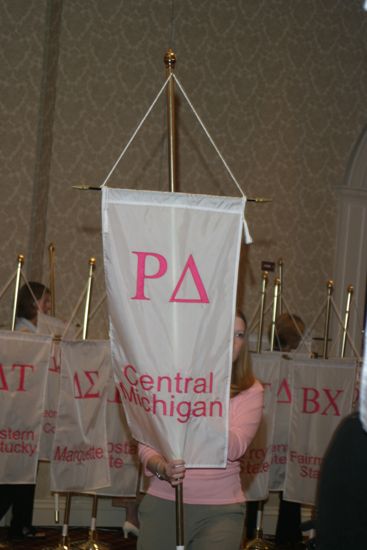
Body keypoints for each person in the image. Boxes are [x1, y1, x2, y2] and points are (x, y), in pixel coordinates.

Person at [137, 310, 264, 550]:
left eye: (239, 335)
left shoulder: (250, 390)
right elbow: (146, 443)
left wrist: (203, 402)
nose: (233, 342)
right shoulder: (171, 381)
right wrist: (161, 467)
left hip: (221, 509)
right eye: (226, 333)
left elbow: (235, 447)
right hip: (165, 501)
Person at [245, 313, 306, 550]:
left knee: (253, 480)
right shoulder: (299, 365)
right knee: (289, 489)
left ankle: (248, 533)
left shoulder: (260, 362)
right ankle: (289, 539)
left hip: (264, 427)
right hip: (286, 431)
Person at [0, 282, 51, 539]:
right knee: (16, 474)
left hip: (28, 412)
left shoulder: (35, 332)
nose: (48, 307)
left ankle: (21, 524)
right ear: (33, 304)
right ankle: (20, 524)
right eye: (45, 302)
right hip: (21, 413)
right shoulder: (24, 333)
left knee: (24, 472)